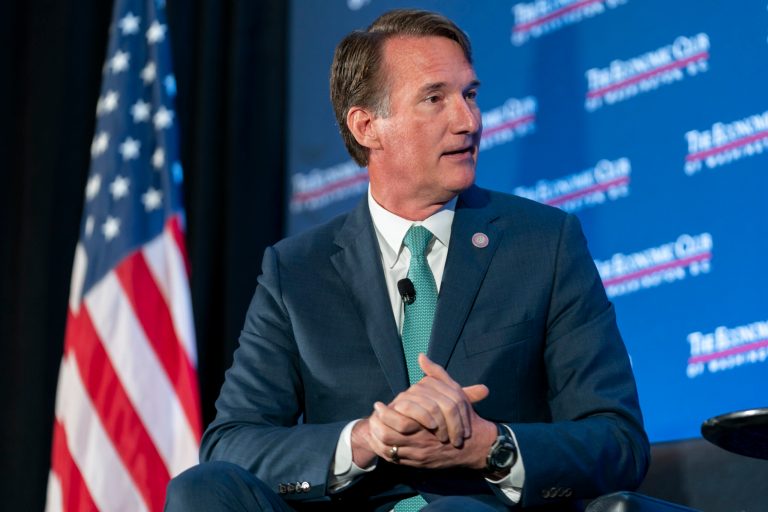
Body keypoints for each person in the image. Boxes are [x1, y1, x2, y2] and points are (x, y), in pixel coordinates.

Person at [165, 9, 649, 511]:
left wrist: (491, 447)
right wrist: (367, 438)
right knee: (201, 490)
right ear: (367, 125)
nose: (469, 120)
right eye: (434, 98)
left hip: (475, 508)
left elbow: (618, 441)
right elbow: (231, 442)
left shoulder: (543, 243)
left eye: (470, 95)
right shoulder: (297, 271)